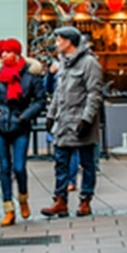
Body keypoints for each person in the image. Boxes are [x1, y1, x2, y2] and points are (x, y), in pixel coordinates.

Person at [0, 38, 45, 226]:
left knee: (19, 167)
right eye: (2, 53)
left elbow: (40, 100)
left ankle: (23, 198)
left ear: (17, 53)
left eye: (8, 52)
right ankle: (8, 209)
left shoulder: (31, 75)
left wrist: (25, 116)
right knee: (4, 168)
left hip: (20, 125)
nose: (4, 56)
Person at [43, 26, 105, 218]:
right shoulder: (63, 63)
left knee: (87, 163)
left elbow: (94, 94)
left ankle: (85, 200)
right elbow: (58, 93)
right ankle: (60, 200)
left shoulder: (89, 63)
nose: (56, 44)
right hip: (63, 122)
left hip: (80, 122)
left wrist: (86, 119)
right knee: (60, 163)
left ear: (69, 42)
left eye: (59, 40)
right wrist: (51, 115)